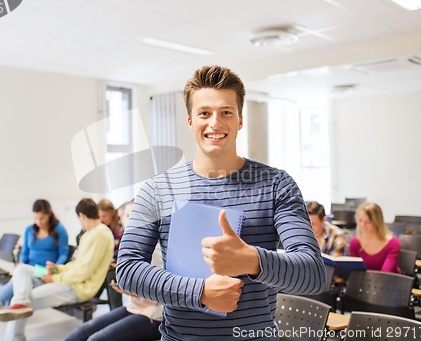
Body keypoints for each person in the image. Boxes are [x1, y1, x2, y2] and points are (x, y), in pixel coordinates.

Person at [116, 65, 326, 340]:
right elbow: (128, 270)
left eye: (226, 112)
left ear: (240, 119)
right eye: (204, 113)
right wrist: (199, 292)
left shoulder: (277, 185)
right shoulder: (158, 189)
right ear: (190, 120)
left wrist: (252, 260)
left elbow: (313, 273)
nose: (215, 123)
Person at [0, 198, 114, 341]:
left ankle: (16, 326)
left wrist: (55, 278)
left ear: (81, 215)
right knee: (22, 270)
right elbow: (77, 265)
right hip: (63, 279)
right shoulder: (90, 233)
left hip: (76, 288)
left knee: (19, 301)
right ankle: (20, 303)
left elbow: (83, 273)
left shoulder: (99, 234)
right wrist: (58, 269)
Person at [65, 199, 162, 341]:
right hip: (133, 308)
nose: (132, 220)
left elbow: (161, 292)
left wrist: (130, 290)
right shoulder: (131, 245)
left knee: (95, 339)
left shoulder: (155, 249)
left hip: (153, 315)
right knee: (82, 331)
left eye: (135, 215)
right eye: (128, 215)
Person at [349, 202, 401, 273]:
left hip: (389, 282)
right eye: (360, 220)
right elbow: (355, 272)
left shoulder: (393, 243)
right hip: (364, 282)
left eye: (368, 222)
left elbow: (385, 274)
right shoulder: (355, 242)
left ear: (377, 222)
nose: (363, 225)